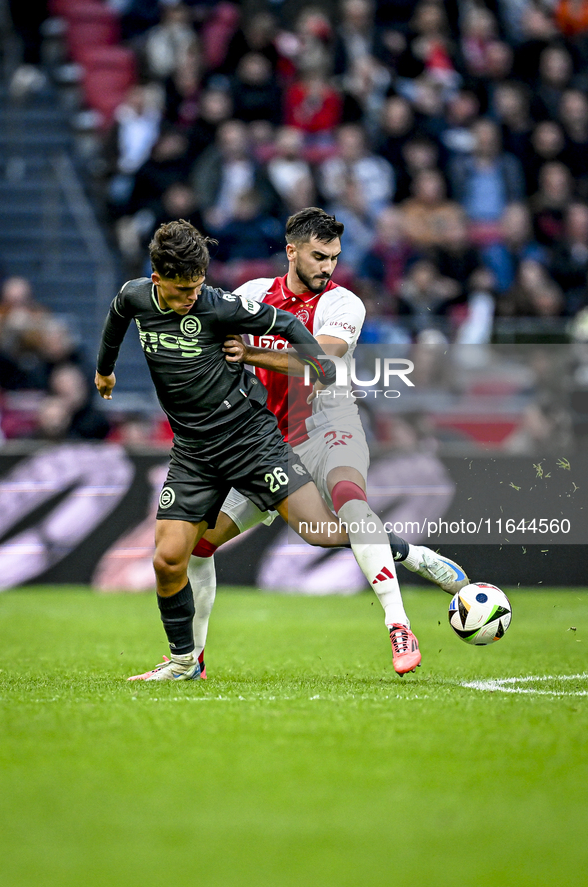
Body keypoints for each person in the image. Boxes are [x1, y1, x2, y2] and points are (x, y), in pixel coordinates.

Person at [94, 219, 421, 680]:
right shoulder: (135, 296)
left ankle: (403, 551)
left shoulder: (219, 305)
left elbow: (285, 322)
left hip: (252, 440)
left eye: (198, 285)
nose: (192, 295)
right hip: (194, 453)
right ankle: (185, 662)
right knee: (169, 560)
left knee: (320, 531)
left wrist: (320, 366)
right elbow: (115, 314)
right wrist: (105, 371)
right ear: (157, 281)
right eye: (183, 288)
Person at [186, 208, 469, 678]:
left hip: (327, 425)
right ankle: (192, 659)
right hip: (263, 442)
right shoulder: (253, 295)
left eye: (334, 258)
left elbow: (322, 364)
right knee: (202, 545)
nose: (327, 267)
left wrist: (250, 351)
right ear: (291, 251)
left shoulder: (345, 304)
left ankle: (399, 625)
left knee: (351, 505)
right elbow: (209, 334)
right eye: (319, 257)